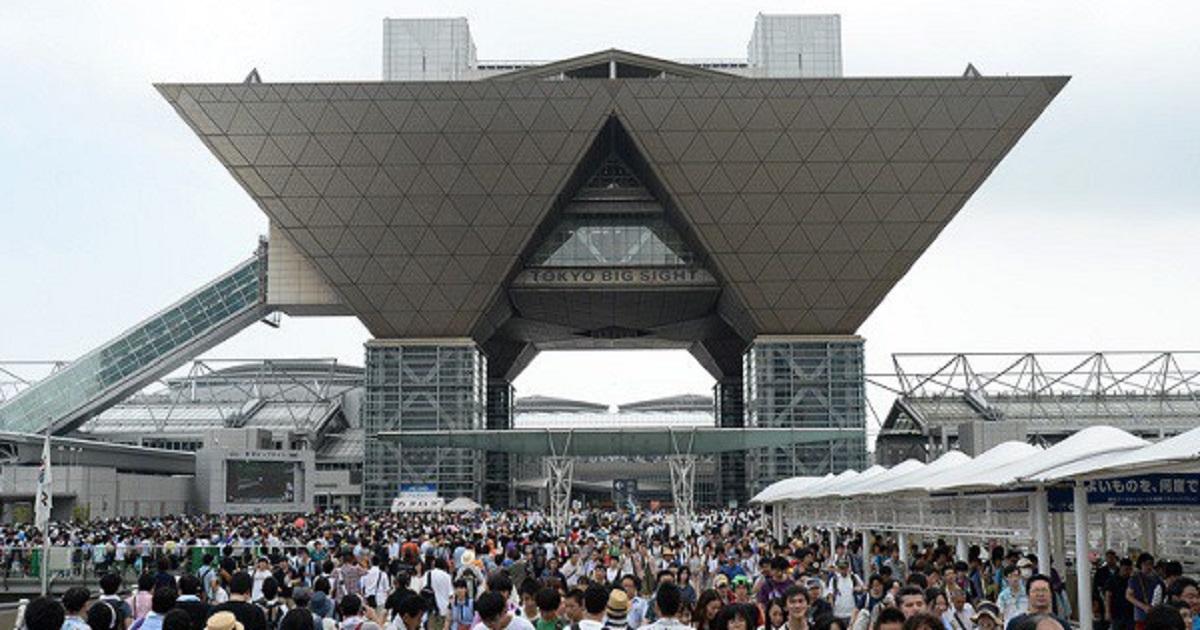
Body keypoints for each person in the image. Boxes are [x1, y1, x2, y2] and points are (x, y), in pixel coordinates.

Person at [1004, 576, 1069, 630]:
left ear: (1051, 594)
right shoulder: (1015, 624)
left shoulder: (1062, 624)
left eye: (1044, 590)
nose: (1040, 594)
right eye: (1036, 590)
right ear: (1028, 594)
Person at [1129, 554, 1165, 630]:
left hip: (1155, 616)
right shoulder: (1135, 578)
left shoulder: (1157, 579)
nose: (1148, 567)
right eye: (1145, 564)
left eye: (1150, 564)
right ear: (1140, 564)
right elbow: (1128, 595)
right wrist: (1143, 606)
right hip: (1141, 616)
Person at [827, 560, 864, 626]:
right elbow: (830, 594)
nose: (843, 570)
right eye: (841, 568)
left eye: (844, 568)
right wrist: (831, 605)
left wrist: (860, 589)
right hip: (837, 613)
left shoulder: (854, 577)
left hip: (852, 613)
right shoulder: (834, 580)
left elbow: (864, 588)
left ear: (848, 568)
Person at [1109, 559, 1137, 630]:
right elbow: (1108, 596)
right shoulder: (1112, 580)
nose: (1127, 572)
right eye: (1125, 569)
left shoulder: (1132, 580)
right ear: (1120, 567)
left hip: (1130, 613)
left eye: (1129, 569)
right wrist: (1107, 611)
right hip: (1116, 612)